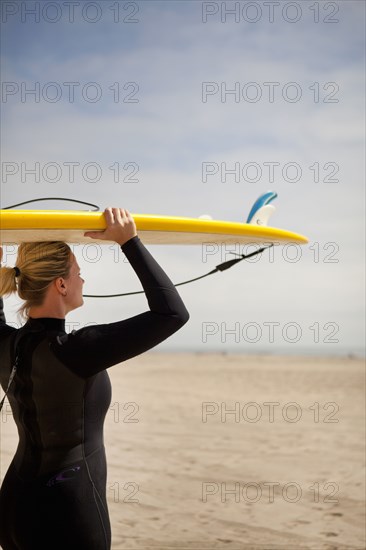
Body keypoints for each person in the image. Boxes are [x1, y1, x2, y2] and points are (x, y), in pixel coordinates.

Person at [0, 207, 189, 550]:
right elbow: (172, 314)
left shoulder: (6, 343)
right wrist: (129, 242)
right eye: (78, 272)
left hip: (13, 506)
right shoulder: (79, 349)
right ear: (60, 284)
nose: (83, 280)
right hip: (67, 509)